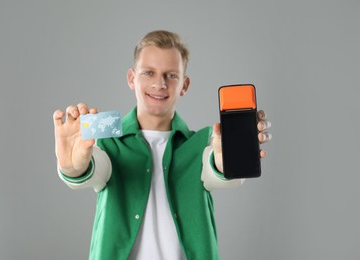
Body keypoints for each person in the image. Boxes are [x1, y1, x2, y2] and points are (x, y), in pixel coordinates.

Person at [53, 30, 271, 260]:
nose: (159, 83)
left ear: (184, 85)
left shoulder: (204, 142)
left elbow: (215, 168)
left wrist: (228, 163)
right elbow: (92, 169)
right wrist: (70, 167)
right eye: (149, 72)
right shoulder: (105, 139)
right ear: (131, 78)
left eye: (171, 75)